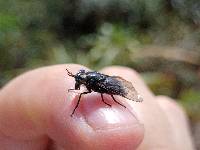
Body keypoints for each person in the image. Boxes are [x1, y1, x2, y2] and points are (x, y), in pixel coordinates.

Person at [0, 64, 195, 150]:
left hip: (113, 85)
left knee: (107, 95)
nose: (79, 80)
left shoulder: (93, 84)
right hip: (108, 81)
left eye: (80, 78)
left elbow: (105, 89)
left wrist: (113, 100)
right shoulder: (86, 80)